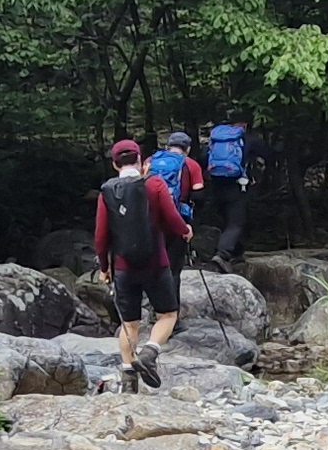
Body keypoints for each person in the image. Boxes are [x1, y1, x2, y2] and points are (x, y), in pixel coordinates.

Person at [95, 136, 190, 389]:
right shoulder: (154, 183)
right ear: (140, 160)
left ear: (115, 164)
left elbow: (101, 236)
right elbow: (173, 218)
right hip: (156, 263)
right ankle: (150, 351)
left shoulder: (107, 191)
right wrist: (186, 231)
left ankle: (129, 382)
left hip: (123, 267)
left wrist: (104, 268)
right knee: (168, 314)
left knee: (129, 325)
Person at [198, 116, 251, 264]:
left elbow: (202, 158)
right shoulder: (246, 139)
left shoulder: (216, 139)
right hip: (237, 186)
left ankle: (236, 252)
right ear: (244, 125)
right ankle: (222, 254)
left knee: (225, 219)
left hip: (216, 186)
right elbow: (269, 155)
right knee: (236, 223)